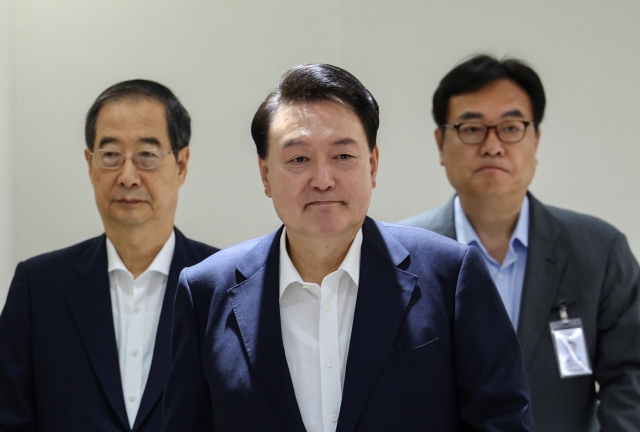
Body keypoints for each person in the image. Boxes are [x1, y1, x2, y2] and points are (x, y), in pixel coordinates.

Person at [163, 63, 533, 432]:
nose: (323, 180)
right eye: (298, 159)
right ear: (266, 175)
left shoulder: (450, 275)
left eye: (342, 156)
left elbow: (501, 422)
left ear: (372, 165)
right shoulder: (205, 292)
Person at [400, 54, 640, 431]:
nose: (493, 146)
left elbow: (631, 375)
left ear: (535, 140)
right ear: (441, 144)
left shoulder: (600, 250)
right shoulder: (401, 257)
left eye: (511, 127)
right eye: (472, 128)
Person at [0, 79, 219, 431]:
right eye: (111, 155)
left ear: (181, 164)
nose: (128, 176)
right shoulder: (38, 288)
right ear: (90, 164)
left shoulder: (224, 288)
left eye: (147, 155)